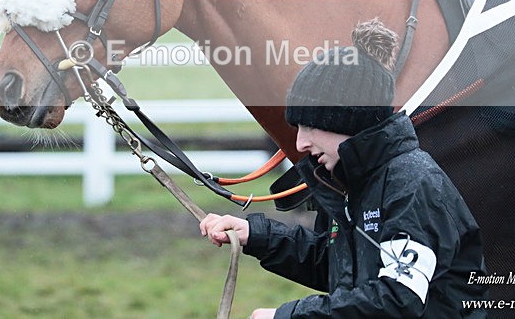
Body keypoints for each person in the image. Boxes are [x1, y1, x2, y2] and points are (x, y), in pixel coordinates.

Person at [200, 18, 488, 318]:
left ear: (348, 121)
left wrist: (287, 316)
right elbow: (339, 266)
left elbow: (398, 299)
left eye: (310, 126)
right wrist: (255, 234)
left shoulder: (411, 184)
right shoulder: (353, 182)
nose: (300, 143)